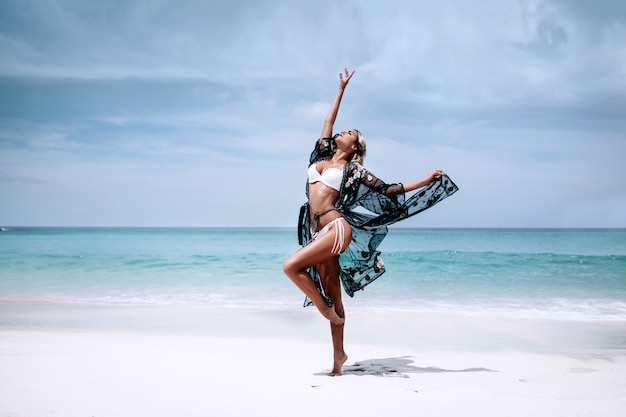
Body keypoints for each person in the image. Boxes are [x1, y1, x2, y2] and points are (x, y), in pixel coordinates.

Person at [283, 69, 458, 376]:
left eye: (349, 132)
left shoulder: (355, 170)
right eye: (343, 130)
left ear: (355, 147)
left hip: (337, 229)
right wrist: (340, 90)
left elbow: (389, 190)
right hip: (317, 231)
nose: (342, 132)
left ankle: (325, 312)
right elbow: (328, 122)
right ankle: (339, 357)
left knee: (290, 267)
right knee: (333, 290)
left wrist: (425, 180)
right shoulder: (322, 153)